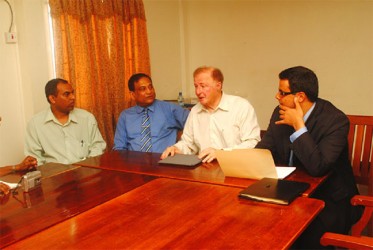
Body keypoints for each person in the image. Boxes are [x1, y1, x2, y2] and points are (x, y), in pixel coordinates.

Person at [256, 66, 361, 249]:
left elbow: (318, 167)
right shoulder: (279, 112)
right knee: (257, 227)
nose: (277, 97)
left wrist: (298, 126)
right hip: (287, 192)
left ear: (300, 97)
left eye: (282, 92)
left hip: (328, 199)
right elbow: (264, 149)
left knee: (301, 239)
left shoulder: (335, 121)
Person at [161, 66, 261, 163]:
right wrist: (177, 149)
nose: (198, 91)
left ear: (218, 85)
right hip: (204, 169)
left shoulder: (241, 107)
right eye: (196, 86)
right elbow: (188, 144)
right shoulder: (195, 111)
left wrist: (222, 154)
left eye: (203, 86)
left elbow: (252, 143)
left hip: (235, 167)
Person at [25, 78, 106, 165]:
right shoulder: (35, 124)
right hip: (53, 175)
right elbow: (35, 159)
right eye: (67, 94)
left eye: (72, 93)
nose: (73, 97)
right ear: (52, 99)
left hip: (85, 172)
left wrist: (87, 168)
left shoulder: (86, 118)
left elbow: (98, 147)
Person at [113, 73, 190, 153]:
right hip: (135, 163)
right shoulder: (125, 116)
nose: (149, 91)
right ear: (133, 95)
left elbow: (195, 124)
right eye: (143, 89)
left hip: (164, 161)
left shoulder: (169, 109)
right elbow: (119, 148)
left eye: (150, 87)